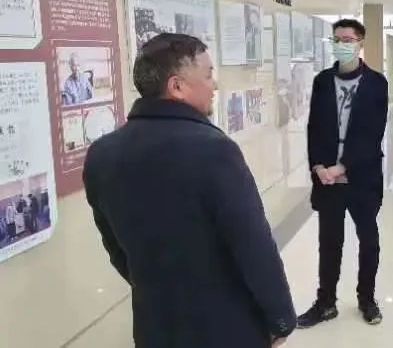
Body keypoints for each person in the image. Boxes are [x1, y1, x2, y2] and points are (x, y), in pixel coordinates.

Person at [82, 33, 295, 348]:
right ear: (177, 86)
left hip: (155, 327)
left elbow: (115, 247)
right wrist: (281, 318)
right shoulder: (214, 150)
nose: (215, 85)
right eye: (208, 75)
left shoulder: (102, 154)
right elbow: (252, 245)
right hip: (227, 328)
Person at [297, 19, 388, 328]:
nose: (341, 44)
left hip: (362, 178)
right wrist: (318, 167)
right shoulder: (323, 81)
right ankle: (325, 303)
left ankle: (367, 299)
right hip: (328, 180)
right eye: (336, 39)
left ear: (360, 43)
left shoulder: (376, 83)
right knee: (329, 243)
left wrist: (342, 166)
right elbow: (314, 128)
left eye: (348, 39)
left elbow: (372, 134)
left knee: (369, 241)